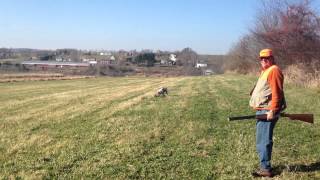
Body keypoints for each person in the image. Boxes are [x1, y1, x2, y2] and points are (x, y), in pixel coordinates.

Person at [249, 49, 286, 177]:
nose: (264, 60)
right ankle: (264, 166)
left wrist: (273, 110)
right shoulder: (266, 71)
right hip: (263, 110)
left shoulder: (274, 70)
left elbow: (277, 93)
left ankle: (265, 169)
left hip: (268, 111)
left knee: (263, 140)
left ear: (272, 58)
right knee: (261, 139)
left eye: (267, 58)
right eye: (262, 58)